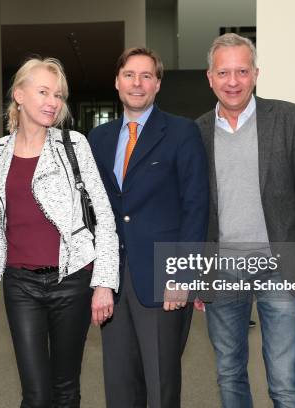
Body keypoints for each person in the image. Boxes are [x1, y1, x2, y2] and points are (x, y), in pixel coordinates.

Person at [195, 33, 295, 407]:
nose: (232, 81)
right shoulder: (198, 130)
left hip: (279, 267)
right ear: (210, 77)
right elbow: (196, 208)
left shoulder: (288, 118)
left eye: (241, 71)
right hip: (220, 270)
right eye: (223, 72)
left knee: (285, 380)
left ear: (256, 74)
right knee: (229, 374)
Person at [0, 57, 119, 407]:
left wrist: (104, 282)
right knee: (34, 393)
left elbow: (104, 216)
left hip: (72, 282)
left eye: (58, 95)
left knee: (65, 388)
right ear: (19, 94)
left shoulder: (73, 146)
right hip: (20, 285)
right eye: (43, 92)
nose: (52, 102)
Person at [88, 47, 209, 408]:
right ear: (117, 81)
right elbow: (96, 211)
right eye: (129, 75)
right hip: (114, 276)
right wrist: (99, 279)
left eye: (146, 76)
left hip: (162, 274)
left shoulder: (181, 132)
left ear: (157, 84)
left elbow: (195, 206)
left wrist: (183, 275)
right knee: (119, 382)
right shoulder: (100, 138)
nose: (136, 83)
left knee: (161, 383)